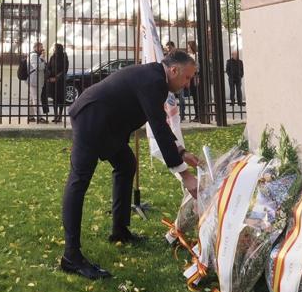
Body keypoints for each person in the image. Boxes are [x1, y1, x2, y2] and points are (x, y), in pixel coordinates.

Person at [61, 50, 200, 279]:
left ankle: (120, 231)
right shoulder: (154, 80)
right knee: (79, 181)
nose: (188, 84)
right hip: (91, 119)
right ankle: (71, 257)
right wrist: (185, 176)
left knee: (126, 164)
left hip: (108, 126)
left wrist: (182, 152)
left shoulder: (156, 79)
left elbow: (160, 125)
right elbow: (157, 125)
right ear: (174, 70)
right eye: (187, 77)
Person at [46, 43, 69, 123]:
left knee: (61, 99)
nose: (53, 49)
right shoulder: (52, 57)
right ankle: (55, 116)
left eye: (55, 48)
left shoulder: (64, 57)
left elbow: (65, 69)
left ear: (58, 48)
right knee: (54, 99)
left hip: (60, 81)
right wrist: (49, 76)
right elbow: (48, 67)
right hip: (52, 81)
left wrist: (56, 78)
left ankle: (60, 116)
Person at [28, 41, 48, 123]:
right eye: (41, 47)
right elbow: (38, 67)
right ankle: (39, 117)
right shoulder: (33, 55)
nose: (42, 49)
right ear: (36, 47)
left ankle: (31, 116)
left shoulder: (37, 56)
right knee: (36, 99)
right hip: (35, 81)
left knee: (32, 99)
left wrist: (42, 59)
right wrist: (43, 59)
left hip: (37, 80)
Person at [186, 39, 200, 121]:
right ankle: (197, 115)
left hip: (195, 76)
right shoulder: (189, 56)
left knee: (196, 96)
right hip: (191, 77)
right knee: (194, 96)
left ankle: (198, 115)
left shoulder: (196, 56)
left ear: (192, 47)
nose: (188, 48)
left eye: (189, 47)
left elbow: (197, 67)